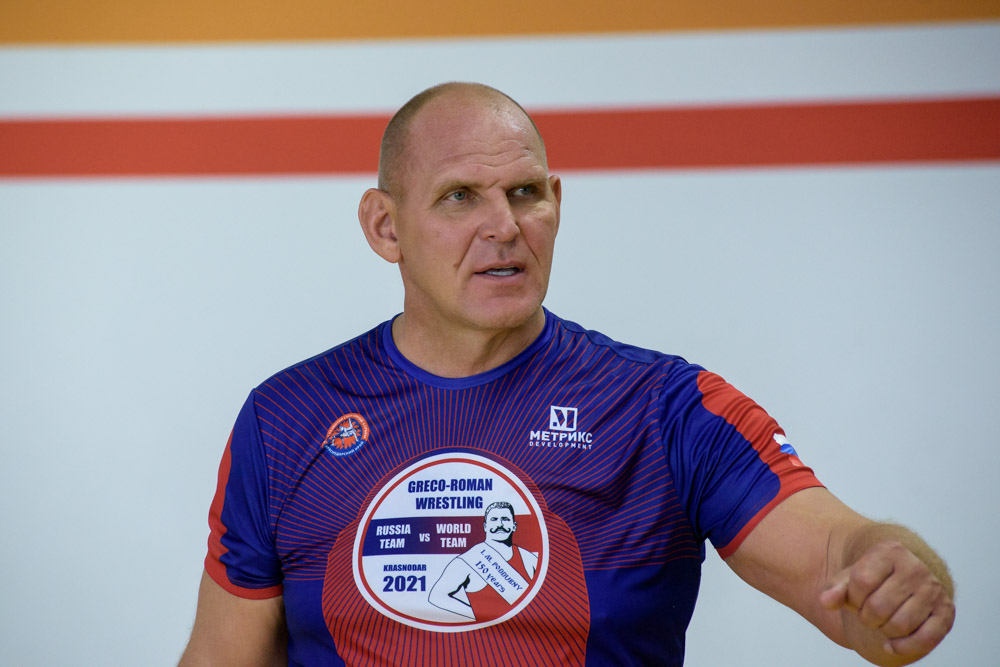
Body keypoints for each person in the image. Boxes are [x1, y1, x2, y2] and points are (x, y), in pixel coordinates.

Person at [179, 82, 955, 666]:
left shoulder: (668, 409)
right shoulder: (284, 419)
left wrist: (892, 575)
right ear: (386, 227)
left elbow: (839, 560)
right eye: (459, 197)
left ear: (555, 201)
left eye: (524, 193)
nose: (505, 226)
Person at [427, 501, 540, 621]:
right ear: (485, 526)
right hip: (488, 632)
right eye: (494, 519)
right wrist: (475, 616)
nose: (500, 524)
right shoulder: (467, 560)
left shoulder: (529, 559)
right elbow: (436, 596)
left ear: (514, 526)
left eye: (505, 519)